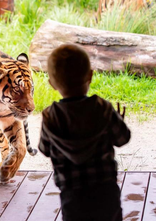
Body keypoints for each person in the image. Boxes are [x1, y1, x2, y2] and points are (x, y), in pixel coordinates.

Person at [38, 44, 131, 221]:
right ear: (90, 75)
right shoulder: (103, 108)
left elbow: (44, 149)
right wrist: (117, 121)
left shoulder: (51, 116)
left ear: (52, 84)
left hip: (72, 196)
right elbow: (122, 138)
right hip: (106, 192)